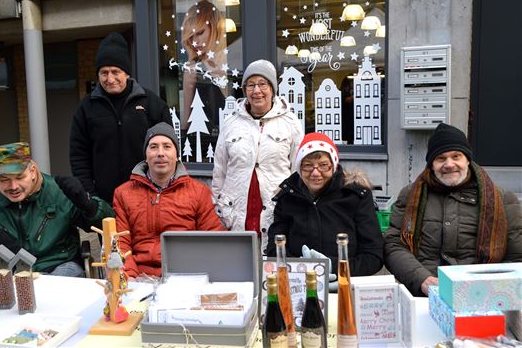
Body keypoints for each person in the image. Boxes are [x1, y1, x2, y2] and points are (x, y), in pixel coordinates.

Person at [384, 123, 522, 296]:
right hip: (424, 295)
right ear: (431, 164)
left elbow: (515, 257)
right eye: (441, 158)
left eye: (456, 156)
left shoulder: (502, 199)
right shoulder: (410, 195)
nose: (449, 164)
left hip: (483, 297)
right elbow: (394, 245)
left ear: (467, 160)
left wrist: (488, 289)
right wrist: (422, 279)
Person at [0, 142, 114, 277]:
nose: (13, 187)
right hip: (9, 271)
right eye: (4, 180)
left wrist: (89, 205)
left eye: (19, 177)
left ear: (32, 171)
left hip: (59, 264)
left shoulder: (58, 191)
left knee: (50, 300)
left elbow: (109, 227)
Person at [266, 132, 384, 289]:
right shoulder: (287, 197)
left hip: (346, 287)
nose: (315, 173)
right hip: (299, 287)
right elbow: (275, 250)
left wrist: (332, 267)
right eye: (307, 165)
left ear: (333, 166)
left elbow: (373, 256)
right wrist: (304, 270)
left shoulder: (355, 196)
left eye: (323, 165)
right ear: (299, 167)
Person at [212, 59, 303, 253]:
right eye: (251, 85)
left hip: (275, 206)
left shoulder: (291, 123)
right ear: (244, 89)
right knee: (239, 262)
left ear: (272, 88)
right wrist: (217, 205)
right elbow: (220, 170)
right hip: (236, 209)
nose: (257, 91)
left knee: (272, 262)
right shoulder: (231, 123)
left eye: (263, 84)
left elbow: (298, 170)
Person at [70, 32, 171, 204]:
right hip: (105, 202)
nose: (110, 79)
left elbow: (169, 150)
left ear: (126, 73)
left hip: (148, 198)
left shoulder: (151, 103)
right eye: (104, 72)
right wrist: (91, 197)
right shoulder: (86, 108)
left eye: (115, 71)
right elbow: (79, 156)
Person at [114, 122, 225, 279]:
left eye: (167, 146)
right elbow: (120, 243)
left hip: (185, 276)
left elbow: (212, 241)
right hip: (139, 276)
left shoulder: (199, 192)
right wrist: (130, 277)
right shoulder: (124, 193)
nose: (160, 153)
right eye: (153, 147)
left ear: (176, 154)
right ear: (145, 155)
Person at [181, 0, 227, 133]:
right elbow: (186, 122)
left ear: (214, 28)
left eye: (200, 33)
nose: (195, 42)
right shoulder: (193, 69)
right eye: (191, 37)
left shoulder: (232, 62)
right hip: (208, 143)